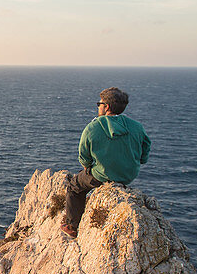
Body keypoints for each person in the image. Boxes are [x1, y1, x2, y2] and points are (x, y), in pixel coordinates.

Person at [60, 87, 150, 238]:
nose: (98, 107)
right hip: (128, 174)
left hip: (102, 175)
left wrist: (88, 168)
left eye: (99, 104)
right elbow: (146, 148)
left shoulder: (93, 127)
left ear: (106, 107)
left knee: (74, 186)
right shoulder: (136, 126)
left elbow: (84, 156)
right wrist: (139, 160)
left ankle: (72, 225)